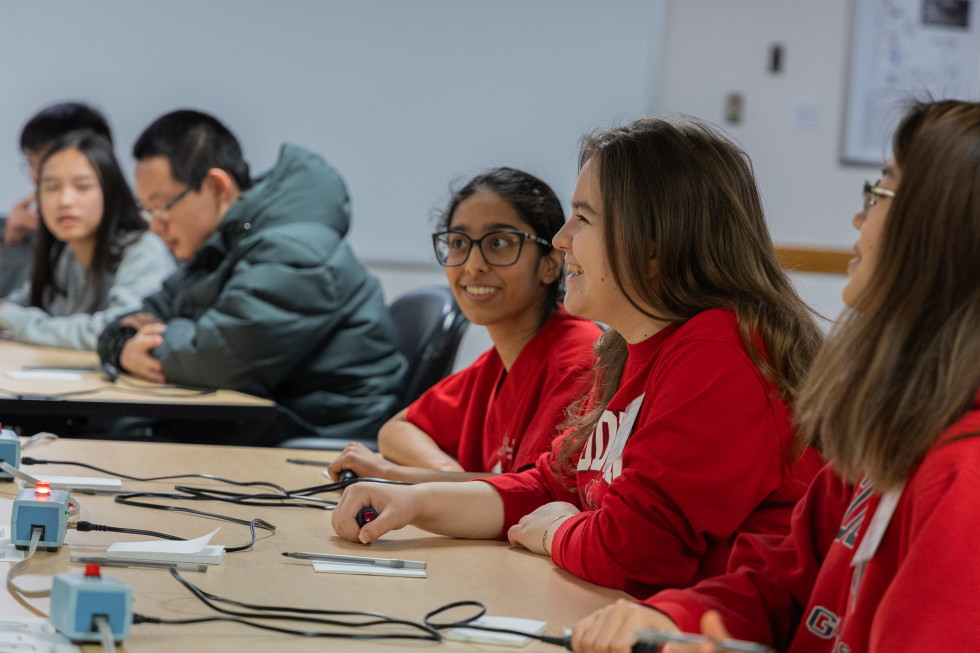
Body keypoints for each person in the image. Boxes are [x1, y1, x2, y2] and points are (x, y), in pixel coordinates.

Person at [332, 117, 825, 599]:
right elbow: (549, 486)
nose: (563, 239)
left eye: (583, 218)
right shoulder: (625, 351)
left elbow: (637, 550)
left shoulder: (720, 351)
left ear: (653, 246)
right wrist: (414, 501)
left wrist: (556, 533)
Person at [571, 99, 980, 653]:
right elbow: (779, 587)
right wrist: (677, 618)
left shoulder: (963, 478)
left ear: (942, 232)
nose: (859, 217)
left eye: (880, 193)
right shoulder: (893, 432)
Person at [97, 109, 406, 445]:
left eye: (162, 206)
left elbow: (214, 361)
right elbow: (137, 316)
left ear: (217, 186)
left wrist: (155, 338)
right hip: (264, 424)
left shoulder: (297, 252)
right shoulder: (225, 243)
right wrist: (121, 345)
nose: (156, 227)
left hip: (321, 439)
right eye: (147, 210)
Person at [327, 168, 602, 483]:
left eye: (498, 242)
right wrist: (448, 474)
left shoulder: (577, 361)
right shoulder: (496, 365)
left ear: (551, 263)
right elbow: (397, 430)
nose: (473, 264)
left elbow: (532, 495)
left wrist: (395, 474)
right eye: (458, 242)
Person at [0, 131, 174, 350]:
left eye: (82, 186)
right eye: (52, 187)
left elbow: (121, 330)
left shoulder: (144, 251)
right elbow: (16, 305)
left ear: (111, 192)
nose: (65, 201)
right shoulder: (65, 253)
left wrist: (17, 321)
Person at [1, 102, 113, 298]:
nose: (34, 177)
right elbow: (27, 301)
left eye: (43, 163)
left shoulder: (134, 243)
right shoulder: (37, 226)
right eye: (30, 165)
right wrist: (13, 244)